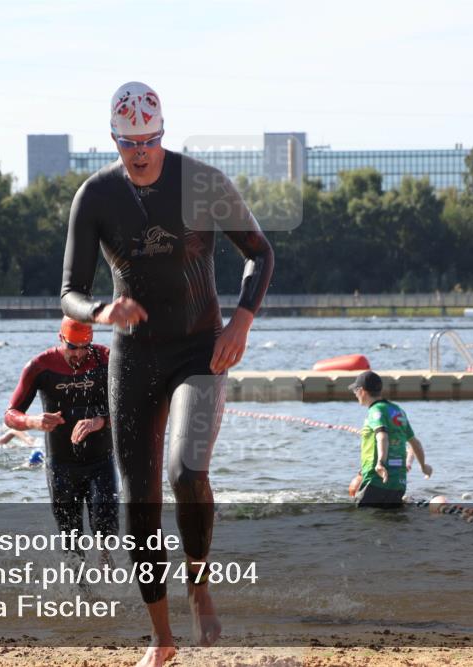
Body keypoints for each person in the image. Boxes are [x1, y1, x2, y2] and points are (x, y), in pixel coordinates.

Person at [61, 81, 274, 665]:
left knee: (187, 472)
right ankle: (161, 639)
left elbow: (261, 252)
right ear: (114, 139)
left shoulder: (201, 183)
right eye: (130, 143)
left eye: (150, 140)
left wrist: (241, 321)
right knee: (139, 503)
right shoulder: (96, 196)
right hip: (132, 357)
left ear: (163, 133)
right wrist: (101, 311)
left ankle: (199, 580)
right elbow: (70, 293)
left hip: (199, 351)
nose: (141, 153)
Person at [4, 317, 118, 552]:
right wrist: (32, 421)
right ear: (60, 338)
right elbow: (10, 414)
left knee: (106, 530)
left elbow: (131, 407)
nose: (79, 354)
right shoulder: (40, 366)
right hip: (61, 466)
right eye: (72, 347)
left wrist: (101, 420)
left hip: (101, 462)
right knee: (71, 543)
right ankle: (80, 588)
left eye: (85, 346)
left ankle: (107, 567)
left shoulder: (105, 359)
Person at [346, 372, 431, 508]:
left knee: (362, 523)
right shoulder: (398, 411)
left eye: (355, 390)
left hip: (376, 480)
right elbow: (415, 442)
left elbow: (382, 435)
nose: (355, 394)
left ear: (362, 391)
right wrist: (423, 466)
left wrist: (380, 463)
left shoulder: (375, 411)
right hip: (398, 484)